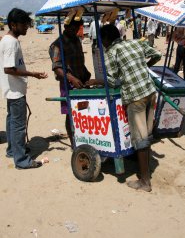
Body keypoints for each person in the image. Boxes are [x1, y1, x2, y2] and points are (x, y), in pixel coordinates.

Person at [86, 24, 162, 192]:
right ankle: (144, 170)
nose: (102, 44)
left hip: (136, 97)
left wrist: (95, 81)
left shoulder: (111, 53)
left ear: (106, 39)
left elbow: (112, 82)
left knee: (140, 139)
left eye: (102, 40)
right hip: (150, 91)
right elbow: (157, 54)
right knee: (147, 135)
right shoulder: (136, 43)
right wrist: (145, 67)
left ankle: (144, 181)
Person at [0, 8, 48, 169]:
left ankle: (13, 150)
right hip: (15, 91)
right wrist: (32, 73)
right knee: (18, 125)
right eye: (24, 24)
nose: (27, 27)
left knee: (12, 122)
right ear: (13, 25)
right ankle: (21, 160)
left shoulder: (8, 40)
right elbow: (9, 69)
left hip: (12, 89)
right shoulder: (11, 42)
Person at [49, 16, 91, 148]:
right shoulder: (57, 45)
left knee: (84, 111)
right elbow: (57, 68)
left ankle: (84, 138)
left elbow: (80, 62)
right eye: (72, 28)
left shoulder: (77, 40)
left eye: (77, 28)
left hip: (82, 81)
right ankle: (74, 144)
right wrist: (71, 78)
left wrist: (86, 76)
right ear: (66, 27)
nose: (74, 30)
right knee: (70, 114)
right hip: (68, 84)